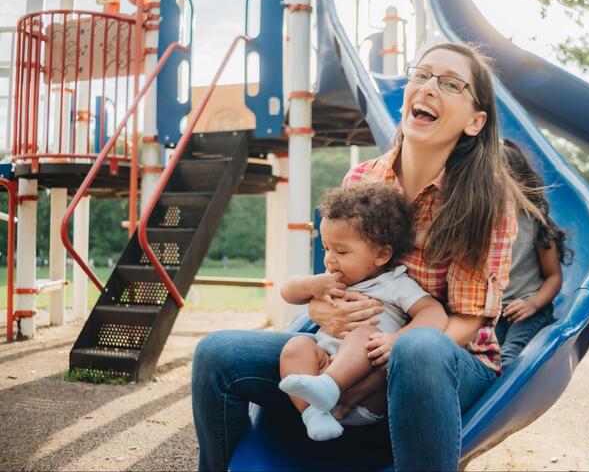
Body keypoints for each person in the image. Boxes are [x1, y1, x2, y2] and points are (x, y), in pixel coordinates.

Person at [192, 42, 534, 471]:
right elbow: (340, 274)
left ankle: (352, 392)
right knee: (216, 354)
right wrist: (323, 308)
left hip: (449, 357)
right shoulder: (362, 178)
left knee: (419, 348)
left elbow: (468, 320)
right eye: (421, 75)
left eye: (450, 84)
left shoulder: (486, 199)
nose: (428, 87)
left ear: (474, 121)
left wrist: (394, 350)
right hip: (348, 350)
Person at [279, 184, 448, 441]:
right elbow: (287, 292)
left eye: (342, 251)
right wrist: (310, 285)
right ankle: (312, 415)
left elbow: (434, 312)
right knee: (296, 346)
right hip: (326, 367)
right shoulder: (330, 280)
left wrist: (398, 338)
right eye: (326, 248)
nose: (330, 260)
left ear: (381, 254)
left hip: (369, 391)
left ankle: (328, 387)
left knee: (364, 334)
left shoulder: (394, 284)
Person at [496, 139, 573, 371]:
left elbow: (553, 276)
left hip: (529, 308)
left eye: (497, 183)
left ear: (519, 183)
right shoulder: (482, 227)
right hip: (495, 312)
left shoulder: (535, 225)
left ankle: (505, 401)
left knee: (508, 358)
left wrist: (532, 304)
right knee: (487, 356)